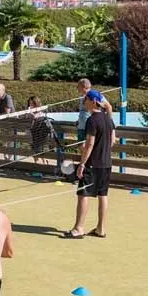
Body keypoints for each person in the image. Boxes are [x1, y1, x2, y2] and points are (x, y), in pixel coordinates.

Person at [63, 90, 116, 239]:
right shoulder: (108, 118)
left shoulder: (92, 120)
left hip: (92, 164)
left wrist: (82, 164)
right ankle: (101, 229)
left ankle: (78, 228)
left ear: (93, 101)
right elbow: (112, 141)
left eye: (86, 99)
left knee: (83, 195)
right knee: (103, 195)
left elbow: (90, 144)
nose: (84, 102)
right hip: (106, 163)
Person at [26, 96, 54, 166]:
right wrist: (29, 114)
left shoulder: (42, 114)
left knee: (42, 152)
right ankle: (37, 165)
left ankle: (45, 164)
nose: (31, 106)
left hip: (41, 137)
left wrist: (32, 116)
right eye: (30, 104)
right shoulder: (28, 114)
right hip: (31, 137)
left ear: (37, 104)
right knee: (34, 152)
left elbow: (40, 120)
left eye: (33, 104)